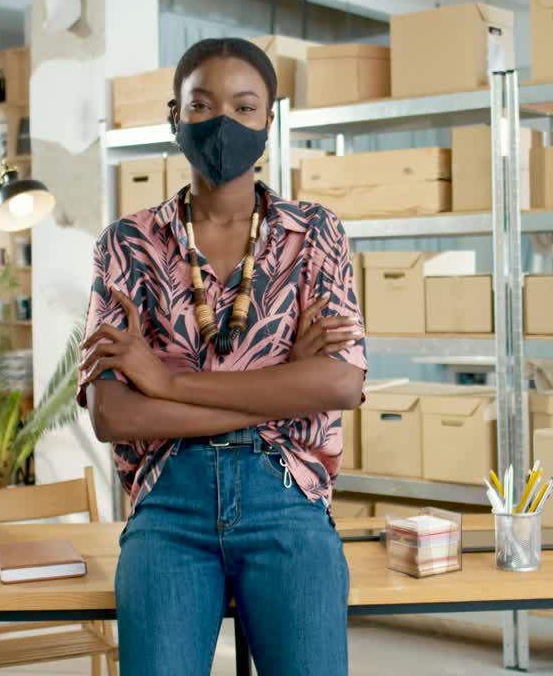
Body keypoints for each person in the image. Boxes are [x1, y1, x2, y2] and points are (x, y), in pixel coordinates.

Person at [78, 37, 367, 676]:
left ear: (269, 119)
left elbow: (342, 384)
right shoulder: (127, 243)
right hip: (169, 507)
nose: (222, 125)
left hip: (287, 494)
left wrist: (163, 380)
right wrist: (286, 382)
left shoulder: (315, 233)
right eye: (202, 105)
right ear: (174, 117)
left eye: (243, 107)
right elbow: (113, 416)